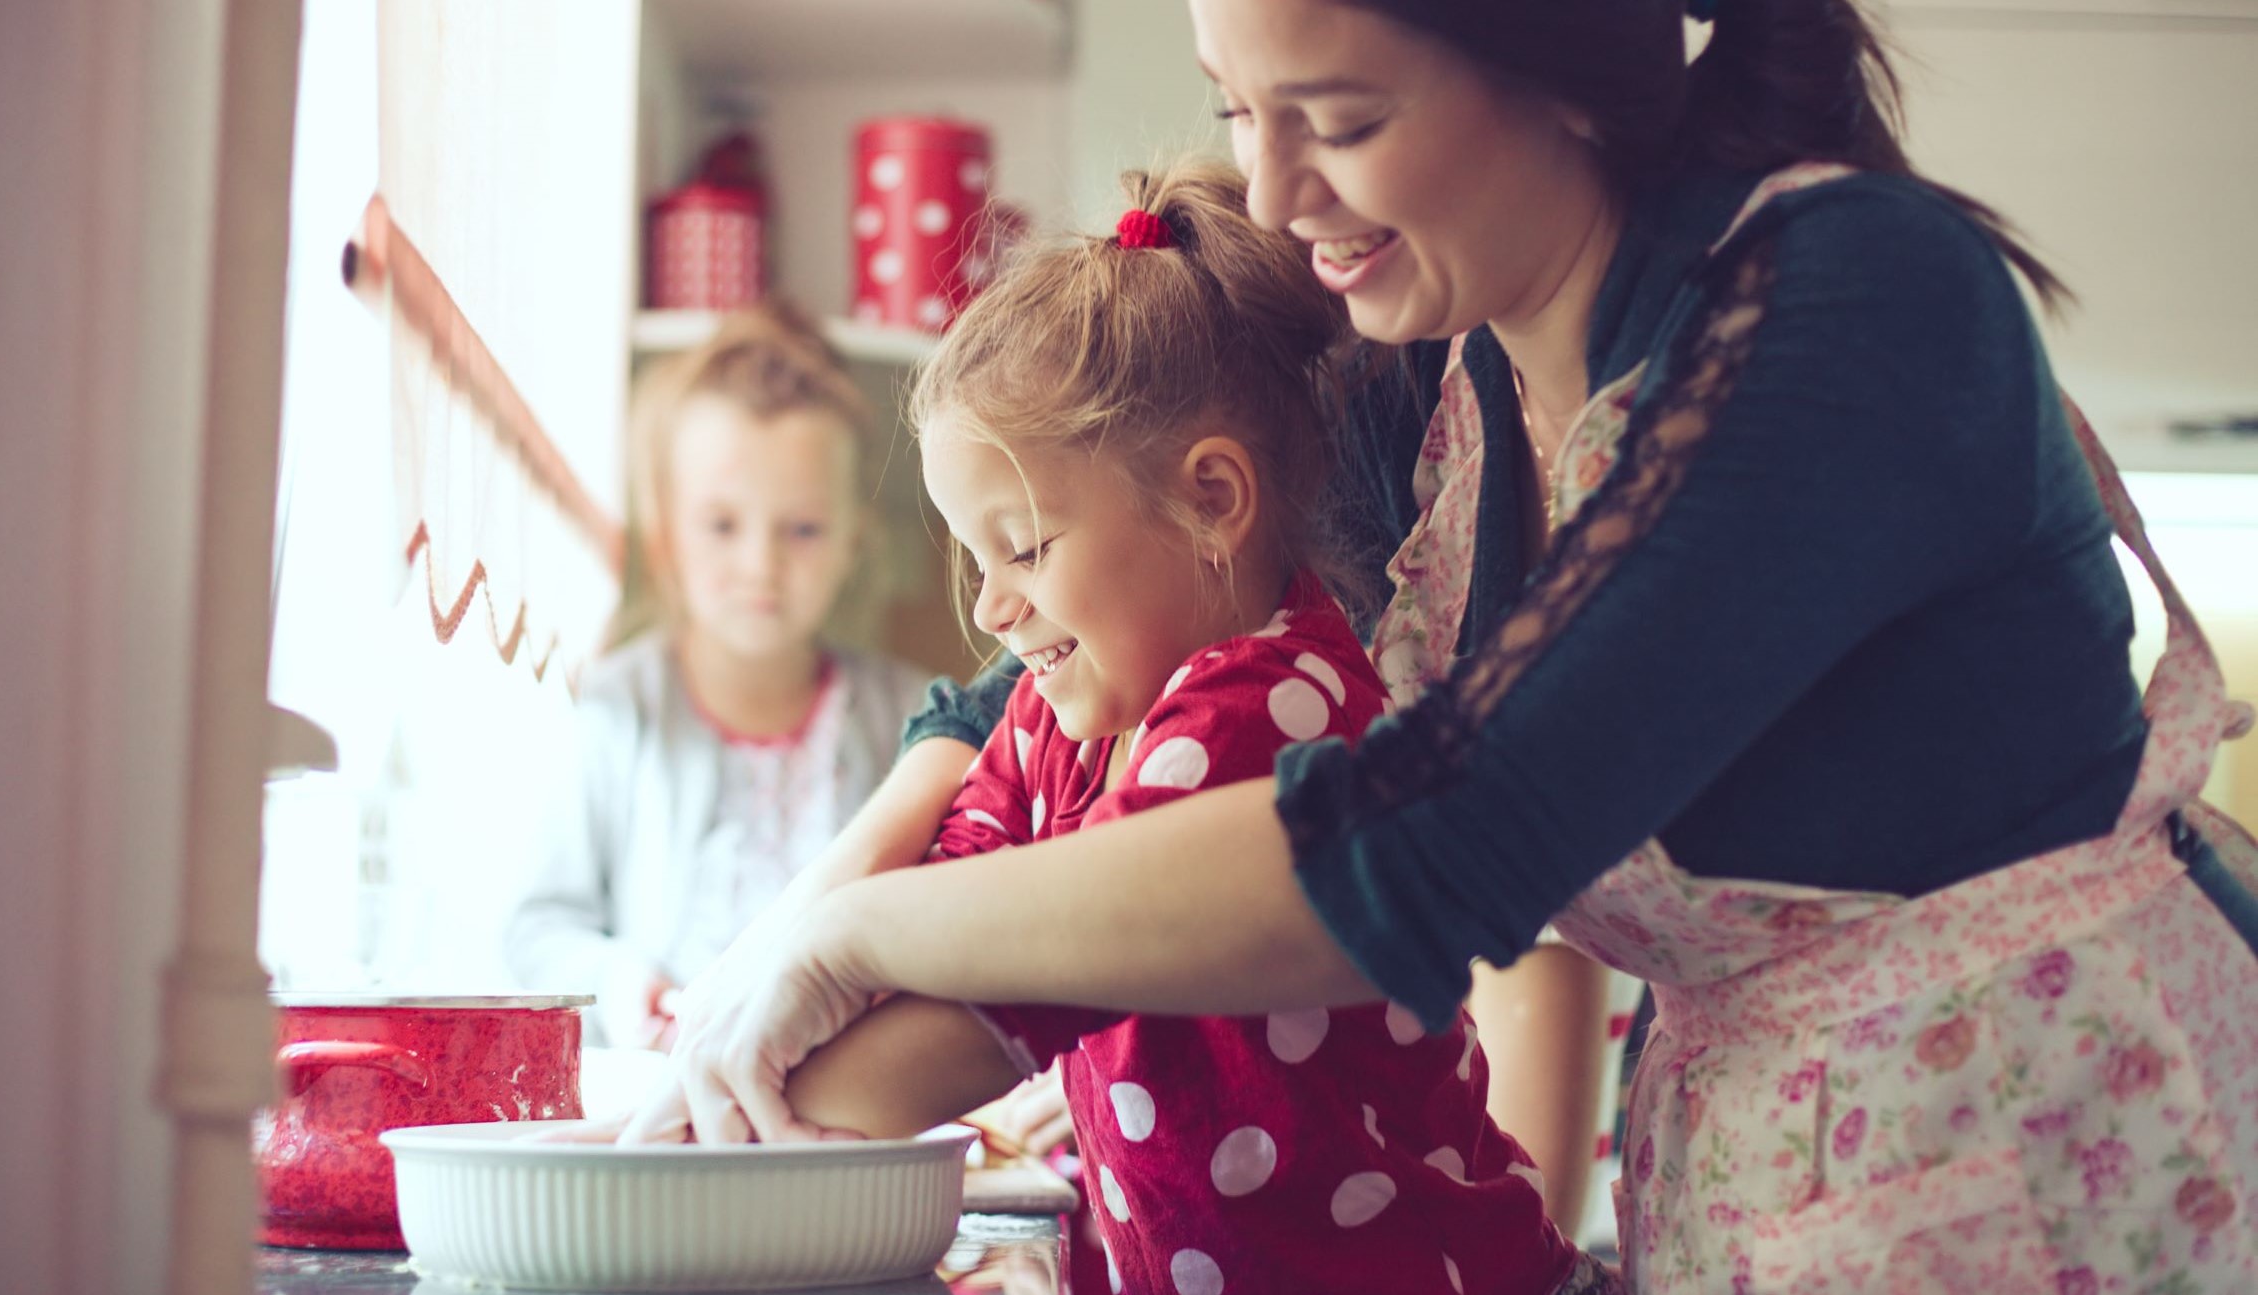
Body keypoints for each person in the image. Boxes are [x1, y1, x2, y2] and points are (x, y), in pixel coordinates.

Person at [639, 1, 2258, 1288]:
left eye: (1338, 120)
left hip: (2061, 1148)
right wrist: (808, 926)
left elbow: (1430, 847)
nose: (1273, 193)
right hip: (1776, 1175)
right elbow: (1035, 674)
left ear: (1555, 69)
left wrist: (862, 943)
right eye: (1235, 110)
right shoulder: (1434, 361)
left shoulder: (1845, 309)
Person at [772, 159, 1607, 1295]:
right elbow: (962, 865)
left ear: (1211, 500)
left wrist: (754, 1078)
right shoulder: (1064, 711)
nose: (987, 604)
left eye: (1022, 548)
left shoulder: (1268, 705)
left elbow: (1009, 990)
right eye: (975, 558)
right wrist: (796, 971)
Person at [504, 304, 928, 1049]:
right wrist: (626, 986)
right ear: (666, 536)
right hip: (663, 1099)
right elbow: (540, 925)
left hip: (849, 1104)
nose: (759, 566)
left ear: (851, 542)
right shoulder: (617, 709)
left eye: (801, 529)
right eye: (722, 525)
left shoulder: (915, 720)